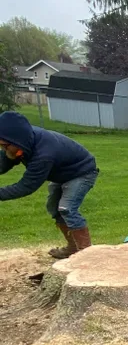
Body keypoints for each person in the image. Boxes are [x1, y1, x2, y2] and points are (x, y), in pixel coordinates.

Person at [0, 110, 98, 258]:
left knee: (67, 208)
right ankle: (72, 248)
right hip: (62, 174)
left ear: (15, 140)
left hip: (82, 172)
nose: (3, 149)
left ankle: (87, 255)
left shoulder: (43, 153)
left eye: (5, 146)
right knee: (54, 208)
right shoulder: (22, 141)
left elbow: (27, 186)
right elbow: (5, 161)